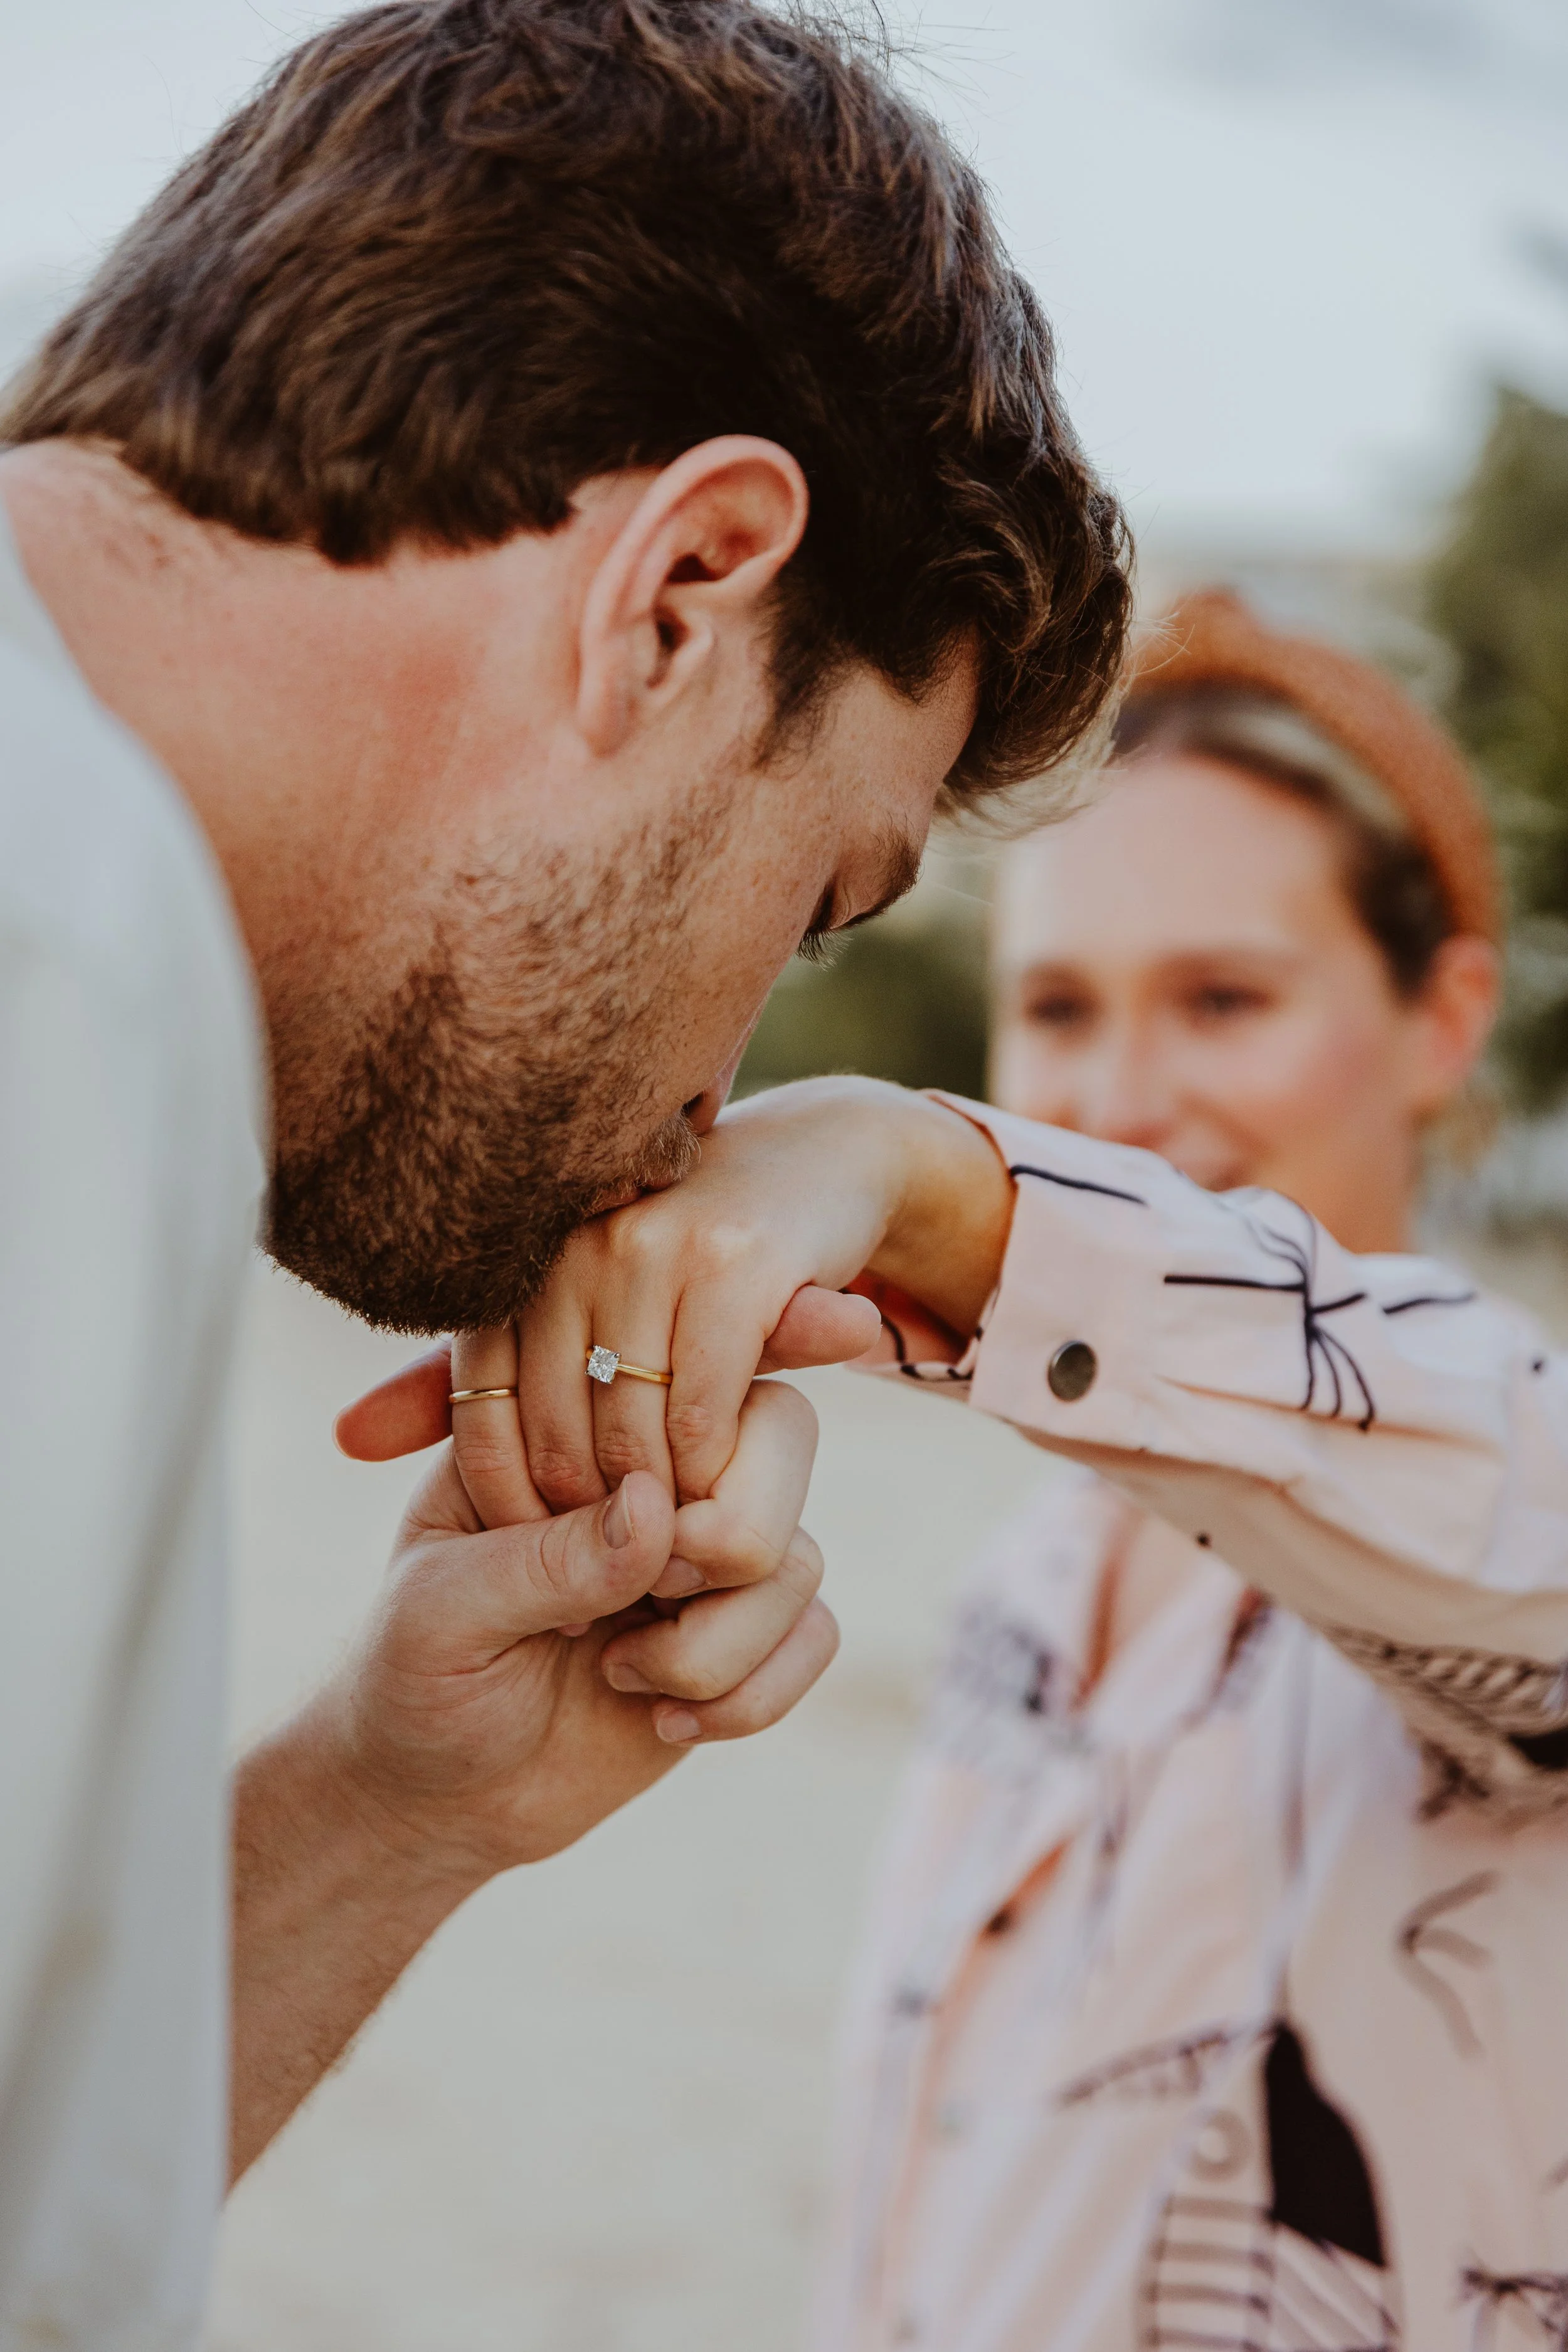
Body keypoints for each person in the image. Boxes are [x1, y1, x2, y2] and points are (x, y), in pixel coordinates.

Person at [0, 0, 1130, 2336]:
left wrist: (383, 1809)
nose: (720, 1096)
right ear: (689, 584)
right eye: (820, 902)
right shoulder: (59, 936)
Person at [361, 590, 1568, 2347]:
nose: (1127, 1091)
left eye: (1224, 997)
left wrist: (920, 1174)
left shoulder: (1500, 1499)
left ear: (1442, 1020)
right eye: (1059, 1007)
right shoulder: (1024, 1588)